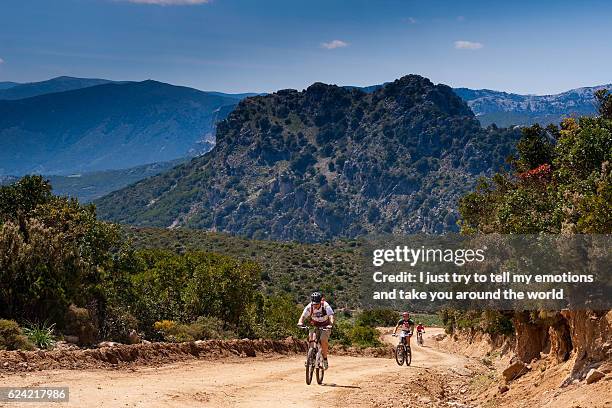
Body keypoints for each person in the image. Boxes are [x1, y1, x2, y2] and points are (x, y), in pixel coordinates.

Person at [297, 292, 334, 369]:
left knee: (323, 340)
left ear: (320, 301)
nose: (315, 305)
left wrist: (330, 324)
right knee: (311, 338)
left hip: (325, 325)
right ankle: (310, 357)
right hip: (315, 325)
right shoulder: (309, 307)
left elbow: (331, 316)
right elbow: (303, 316)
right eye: (314, 304)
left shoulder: (325, 305)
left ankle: (324, 358)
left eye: (317, 304)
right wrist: (300, 322)